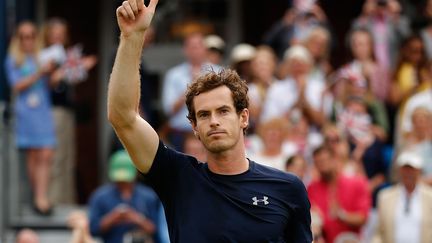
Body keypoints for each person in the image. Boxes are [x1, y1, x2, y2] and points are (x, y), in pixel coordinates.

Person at [107, 0, 312, 242]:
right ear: (194, 126)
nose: (214, 121)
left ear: (243, 117)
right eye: (204, 114)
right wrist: (133, 37)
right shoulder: (177, 178)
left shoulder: (287, 189)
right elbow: (123, 117)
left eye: (223, 111)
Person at [42, 17, 97, 205]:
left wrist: (77, 67)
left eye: (61, 34)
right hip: (52, 112)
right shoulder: (45, 56)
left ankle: (65, 200)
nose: (58, 38)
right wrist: (74, 68)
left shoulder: (65, 56)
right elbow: (49, 82)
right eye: (54, 34)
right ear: (47, 36)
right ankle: (54, 200)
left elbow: (72, 75)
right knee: (55, 158)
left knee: (68, 158)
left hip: (66, 112)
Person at [5, 21, 56, 215]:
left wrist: (53, 74)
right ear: (18, 39)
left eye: (32, 35)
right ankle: (39, 198)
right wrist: (39, 73)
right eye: (24, 36)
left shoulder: (41, 57)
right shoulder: (13, 59)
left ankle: (41, 197)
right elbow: (17, 85)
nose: (28, 40)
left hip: (43, 110)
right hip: (27, 112)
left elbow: (48, 85)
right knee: (34, 156)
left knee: (47, 154)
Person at [88, 150, 167, 243]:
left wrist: (136, 218)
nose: (123, 184)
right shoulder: (100, 196)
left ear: (135, 174)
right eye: (119, 181)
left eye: (126, 181)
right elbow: (92, 229)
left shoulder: (148, 196)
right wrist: (113, 217)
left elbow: (158, 230)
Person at [307, 146, 371, 243]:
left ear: (335, 159)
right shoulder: (312, 188)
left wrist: (341, 215)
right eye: (318, 162)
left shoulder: (357, 183)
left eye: (325, 160)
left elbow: (363, 218)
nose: (322, 166)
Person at [374, 151, 432, 243]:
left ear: (419, 171)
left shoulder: (429, 197)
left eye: (412, 169)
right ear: (399, 170)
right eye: (405, 169)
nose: (408, 173)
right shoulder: (385, 197)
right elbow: (378, 232)